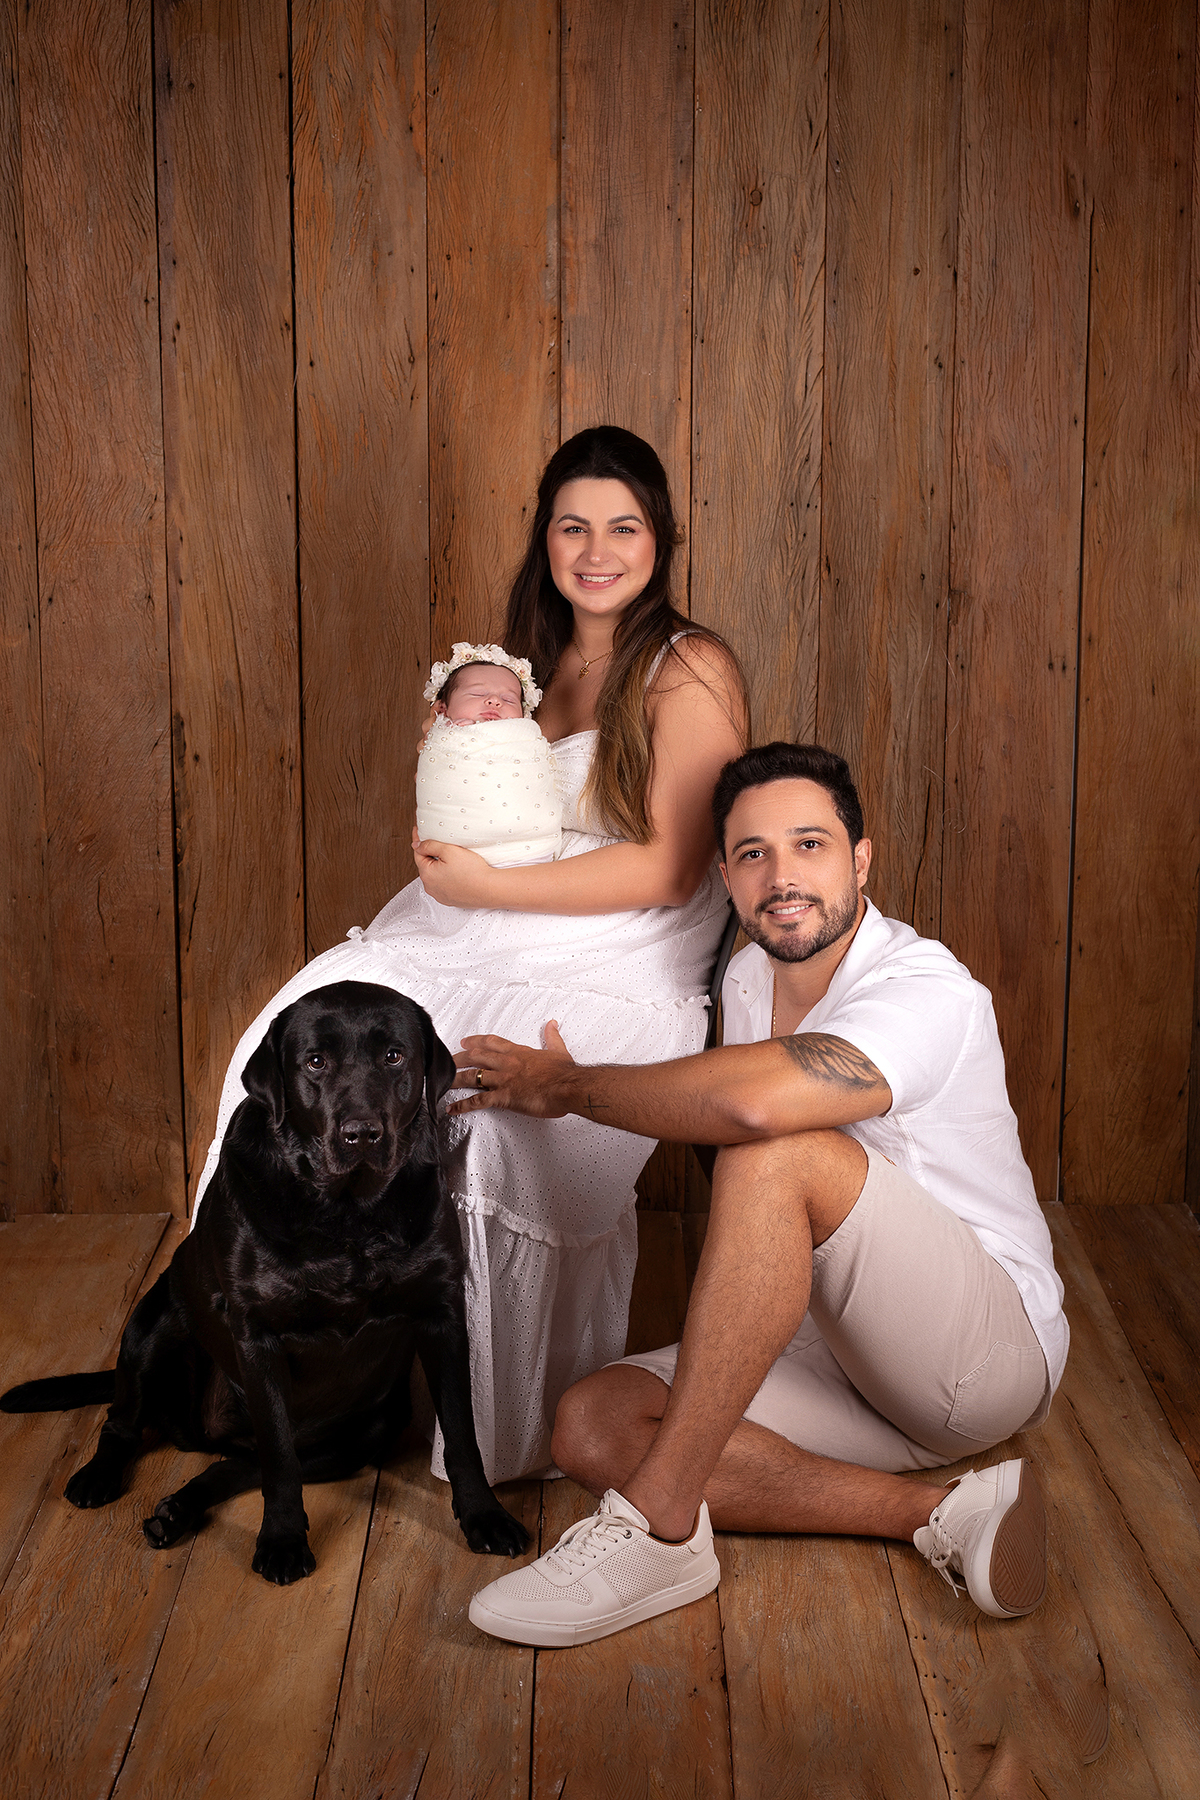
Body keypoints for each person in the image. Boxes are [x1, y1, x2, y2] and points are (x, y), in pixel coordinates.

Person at [190, 427, 748, 1485]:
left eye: (623, 527)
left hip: (619, 946)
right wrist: (449, 775)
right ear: (544, 538)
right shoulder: (517, 668)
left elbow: (675, 870)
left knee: (481, 1123)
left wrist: (486, 886)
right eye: (573, 526)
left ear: (662, 540)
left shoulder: (688, 667)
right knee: (296, 1040)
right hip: (479, 920)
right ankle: (293, 1371)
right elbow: (482, 812)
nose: (596, 551)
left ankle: (488, 1428)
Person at [455, 742, 1068, 1647]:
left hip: (981, 1357)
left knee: (774, 1149)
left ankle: (661, 1528)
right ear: (727, 879)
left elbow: (752, 1105)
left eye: (810, 845)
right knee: (592, 1425)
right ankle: (941, 1513)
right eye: (753, 854)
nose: (782, 877)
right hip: (840, 1353)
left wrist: (568, 1086)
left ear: (861, 860)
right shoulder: (746, 980)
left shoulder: (928, 987)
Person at [416, 643, 562, 866]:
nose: (495, 701)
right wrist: (447, 735)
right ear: (442, 708)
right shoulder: (443, 735)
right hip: (452, 850)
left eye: (509, 699)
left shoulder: (526, 736)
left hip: (530, 853)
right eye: (477, 693)